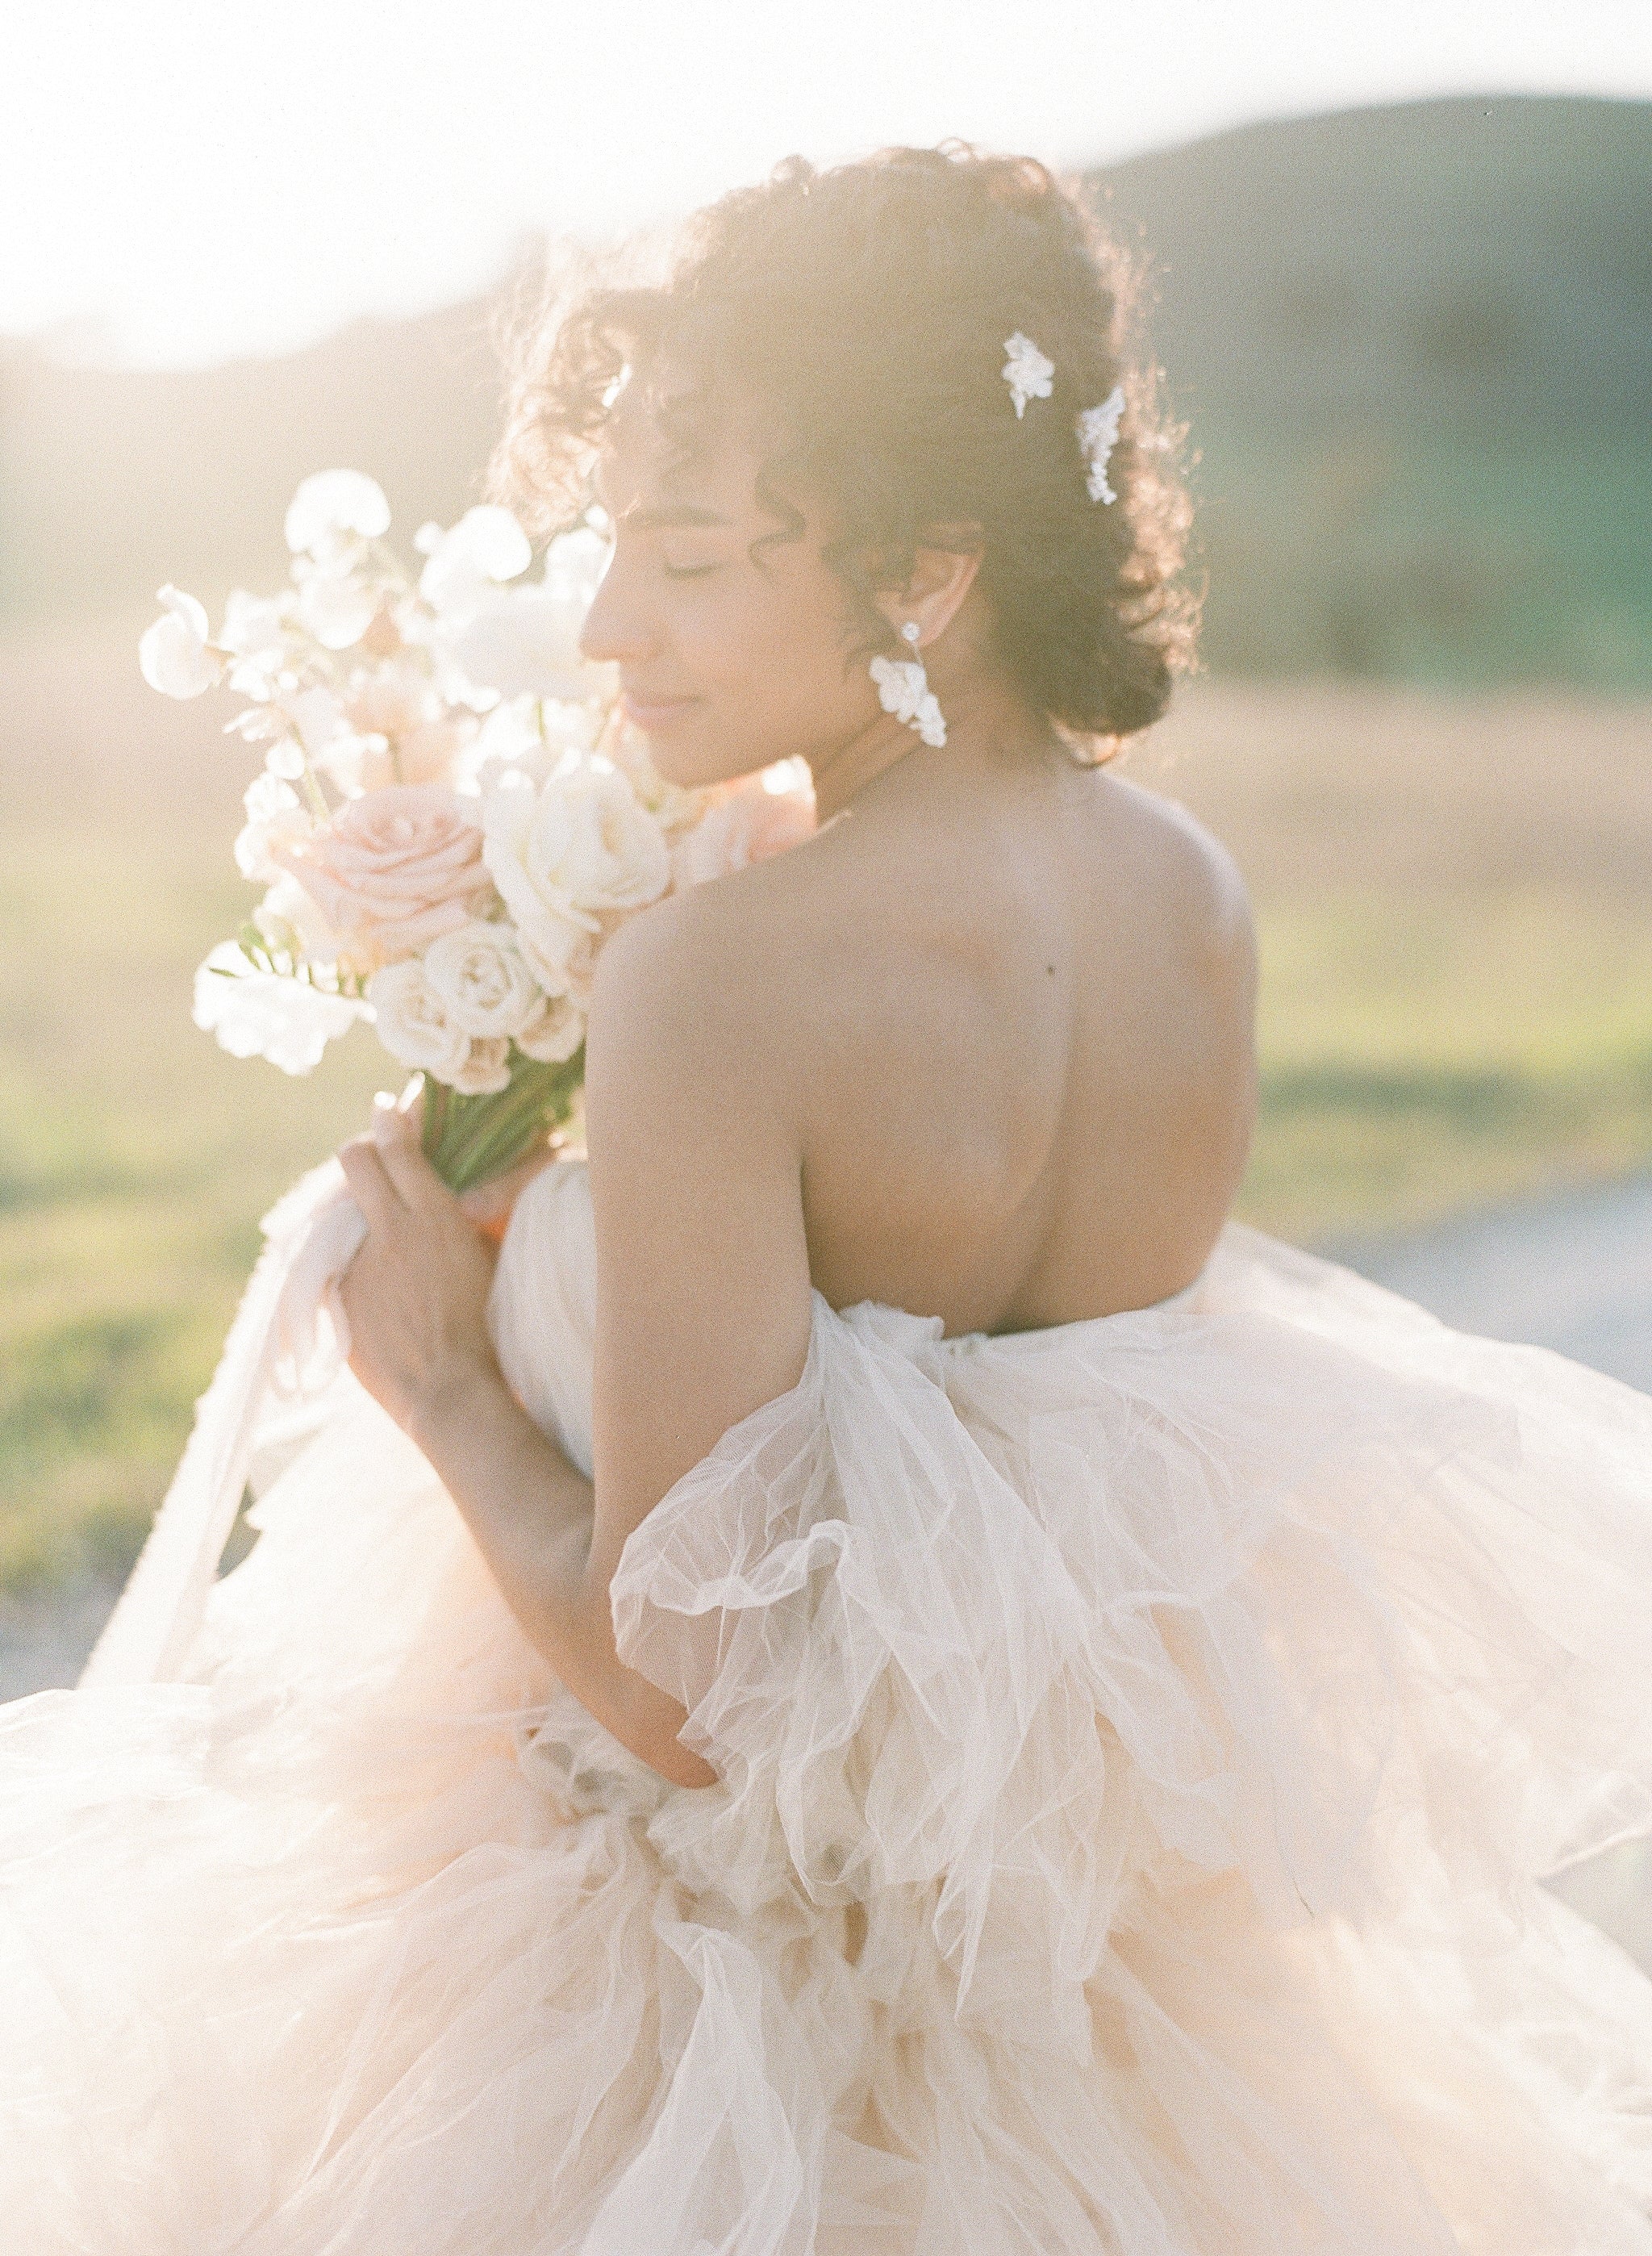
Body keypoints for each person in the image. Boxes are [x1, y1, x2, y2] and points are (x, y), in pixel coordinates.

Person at [6, 143, 1652, 2254]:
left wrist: (444, 1380)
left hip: (675, 2014)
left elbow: (700, 1706)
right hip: (1077, 1999)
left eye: (684, 560)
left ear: (929, 571)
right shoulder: (1193, 905)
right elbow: (1009, 1479)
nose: (608, 625)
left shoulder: (723, 979)